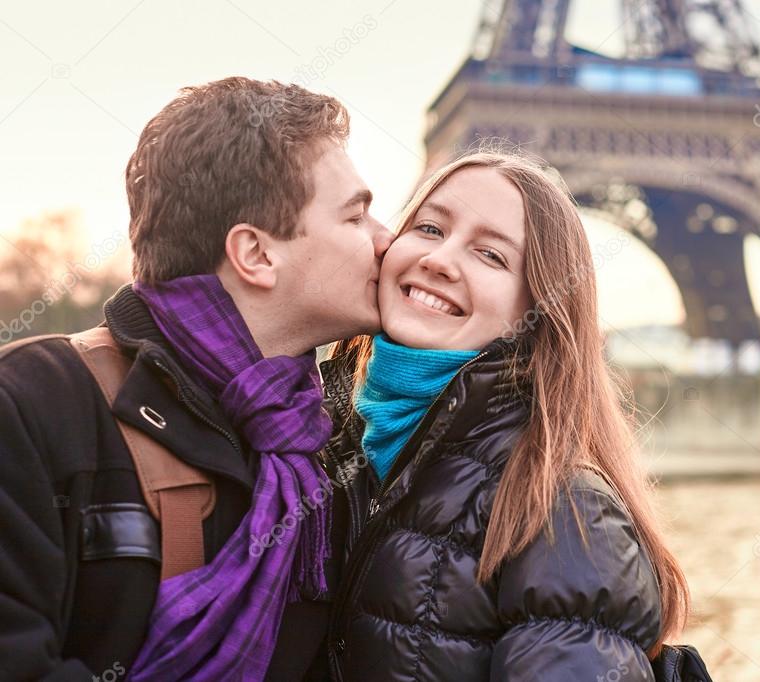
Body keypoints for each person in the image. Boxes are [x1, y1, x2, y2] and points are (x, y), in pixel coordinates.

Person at [0, 76, 392, 681]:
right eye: (356, 216)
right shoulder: (32, 402)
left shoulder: (326, 445)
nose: (386, 240)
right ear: (256, 255)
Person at [320, 150, 689, 681]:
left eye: (491, 256)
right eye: (428, 227)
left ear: (536, 310)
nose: (441, 260)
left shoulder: (564, 509)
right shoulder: (325, 438)